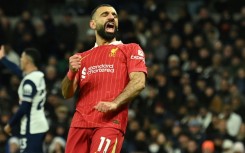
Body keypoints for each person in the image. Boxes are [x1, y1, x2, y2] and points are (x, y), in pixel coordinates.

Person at [61, 4, 147, 153]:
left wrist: (115, 103)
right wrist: (71, 73)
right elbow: (66, 93)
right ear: (92, 24)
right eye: (105, 14)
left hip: (109, 122)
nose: (111, 17)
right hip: (79, 123)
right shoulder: (82, 57)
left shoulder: (130, 49)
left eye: (114, 15)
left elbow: (139, 82)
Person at [0, 46, 49, 153]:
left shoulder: (29, 81)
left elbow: (24, 107)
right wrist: (3, 58)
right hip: (38, 125)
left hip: (32, 127)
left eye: (22, 57)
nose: (20, 60)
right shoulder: (38, 76)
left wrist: (10, 124)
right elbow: (17, 71)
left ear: (27, 60)